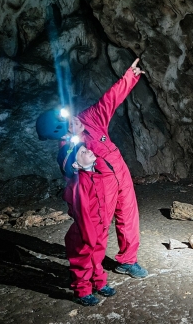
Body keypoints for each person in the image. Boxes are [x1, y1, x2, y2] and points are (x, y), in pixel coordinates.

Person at [36, 58, 148, 278]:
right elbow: (71, 173)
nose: (75, 121)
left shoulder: (90, 118)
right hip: (101, 186)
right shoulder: (69, 149)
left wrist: (130, 76)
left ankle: (127, 260)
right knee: (98, 229)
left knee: (129, 216)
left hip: (120, 173)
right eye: (69, 124)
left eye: (71, 118)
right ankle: (92, 274)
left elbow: (110, 100)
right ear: (63, 133)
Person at [58, 140, 116, 306]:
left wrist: (104, 225)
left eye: (86, 149)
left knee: (97, 257)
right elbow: (82, 213)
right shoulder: (79, 184)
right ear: (75, 164)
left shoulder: (95, 176)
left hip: (99, 228)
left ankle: (99, 282)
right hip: (84, 232)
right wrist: (89, 236)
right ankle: (82, 291)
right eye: (82, 152)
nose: (88, 151)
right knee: (82, 261)